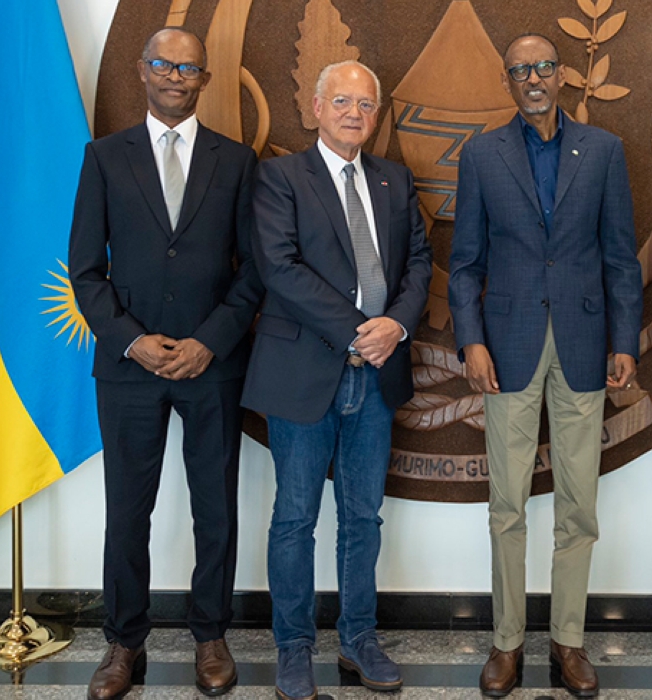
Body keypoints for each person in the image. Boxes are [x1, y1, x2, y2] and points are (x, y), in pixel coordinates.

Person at [69, 27, 262, 700]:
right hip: (128, 368)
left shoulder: (236, 161)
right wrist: (130, 338)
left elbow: (252, 274)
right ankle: (123, 644)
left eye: (189, 67)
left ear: (204, 79)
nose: (176, 75)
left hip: (212, 363)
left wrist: (211, 339)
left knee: (215, 509)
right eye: (164, 63)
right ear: (141, 71)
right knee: (127, 511)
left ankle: (211, 634)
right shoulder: (103, 157)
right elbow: (85, 272)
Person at [449, 33, 643, 699]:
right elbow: (465, 260)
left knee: (577, 505)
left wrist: (625, 342)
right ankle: (506, 643)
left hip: (586, 344)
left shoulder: (604, 151)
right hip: (506, 347)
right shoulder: (481, 154)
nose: (531, 78)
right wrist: (471, 340)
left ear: (561, 75)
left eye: (542, 67)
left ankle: (567, 640)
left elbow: (620, 254)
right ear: (507, 81)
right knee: (506, 505)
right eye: (519, 70)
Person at [241, 60, 432, 699]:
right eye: (342, 101)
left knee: (363, 518)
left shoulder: (395, 180)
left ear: (376, 116)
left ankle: (358, 640)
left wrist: (395, 327)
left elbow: (420, 264)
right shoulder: (279, 177)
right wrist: (361, 327)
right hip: (306, 373)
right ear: (316, 109)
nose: (354, 113)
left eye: (366, 104)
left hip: (376, 377)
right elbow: (280, 267)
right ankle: (294, 649)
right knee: (295, 518)